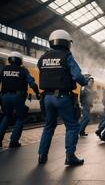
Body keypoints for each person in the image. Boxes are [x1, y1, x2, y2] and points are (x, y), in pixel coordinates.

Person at [37, 29, 89, 166]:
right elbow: (77, 76)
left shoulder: (43, 58)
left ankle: (42, 155)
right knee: (72, 126)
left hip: (47, 97)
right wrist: (85, 81)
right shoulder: (66, 56)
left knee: (49, 126)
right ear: (66, 42)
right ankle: (70, 156)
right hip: (62, 97)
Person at [0, 51, 40, 148]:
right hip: (18, 97)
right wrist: (37, 93)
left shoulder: (3, 70)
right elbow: (33, 84)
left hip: (5, 96)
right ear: (20, 61)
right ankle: (13, 141)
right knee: (20, 118)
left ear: (10, 59)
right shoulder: (23, 70)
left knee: (7, 116)